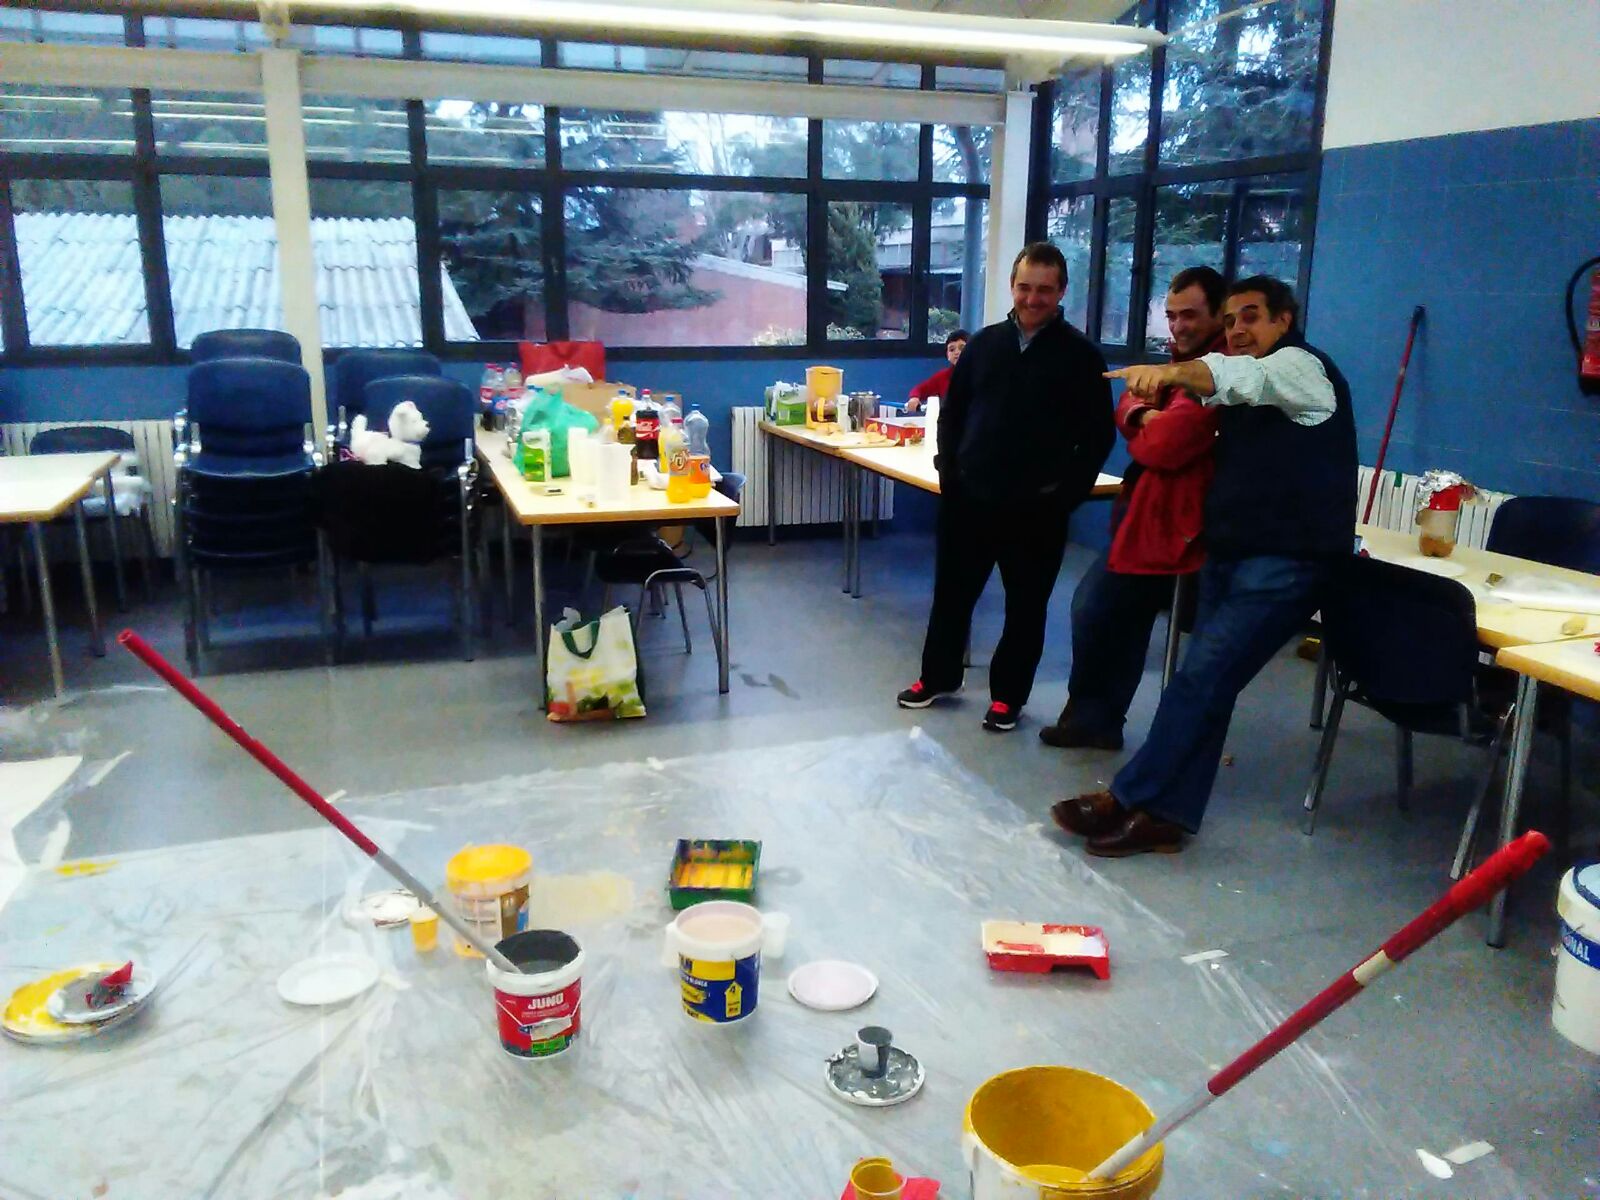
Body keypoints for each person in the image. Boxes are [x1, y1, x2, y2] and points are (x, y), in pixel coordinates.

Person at [1053, 275, 1357, 855]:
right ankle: (1166, 815)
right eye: (1232, 319)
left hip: (1287, 562)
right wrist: (1152, 398)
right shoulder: (1239, 377)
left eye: (1252, 317)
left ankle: (1129, 797)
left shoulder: (1301, 369)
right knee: (1206, 685)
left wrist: (1167, 377)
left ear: (1284, 320)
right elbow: (1166, 418)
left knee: (1200, 678)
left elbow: (1221, 383)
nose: (1238, 330)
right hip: (1232, 553)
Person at [897, 242, 1114, 732]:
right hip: (970, 499)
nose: (1032, 299)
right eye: (1024, 287)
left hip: (1038, 509)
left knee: (1026, 607)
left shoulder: (1081, 356)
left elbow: (1097, 436)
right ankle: (939, 676)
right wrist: (950, 473)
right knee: (951, 596)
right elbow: (953, 415)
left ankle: (1008, 697)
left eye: (1044, 289)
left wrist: (1065, 495)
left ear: (1061, 291)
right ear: (1012, 287)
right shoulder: (983, 345)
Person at [1040, 266, 1227, 751]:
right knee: (1108, 613)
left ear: (1217, 315)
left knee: (1100, 607)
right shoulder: (1174, 368)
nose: (1179, 326)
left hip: (1178, 524)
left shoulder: (1216, 374)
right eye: (1172, 315)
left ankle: (1101, 721)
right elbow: (1124, 408)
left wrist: (1140, 420)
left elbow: (1164, 445)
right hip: (1144, 511)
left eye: (1190, 315)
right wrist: (1143, 414)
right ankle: (1095, 719)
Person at [905, 330, 968, 413]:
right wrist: (914, 398)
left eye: (962, 348)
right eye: (952, 349)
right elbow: (919, 389)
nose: (957, 352)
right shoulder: (942, 377)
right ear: (947, 355)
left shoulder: (981, 375)